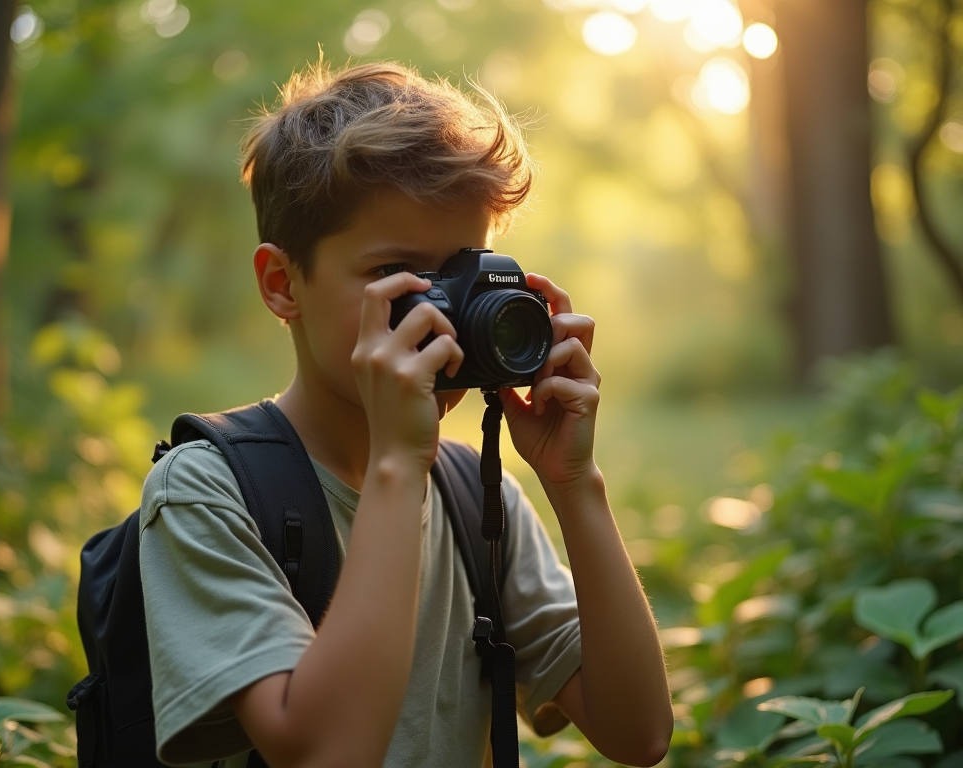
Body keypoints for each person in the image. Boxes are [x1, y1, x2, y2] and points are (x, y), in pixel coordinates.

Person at [137, 60, 673, 768]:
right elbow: (326, 756)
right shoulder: (206, 491)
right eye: (402, 273)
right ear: (281, 284)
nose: (446, 314)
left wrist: (575, 483)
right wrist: (396, 466)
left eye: (465, 271)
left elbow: (638, 734)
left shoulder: (478, 500)